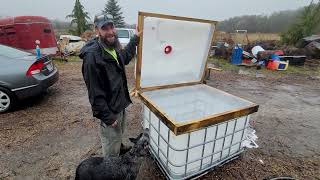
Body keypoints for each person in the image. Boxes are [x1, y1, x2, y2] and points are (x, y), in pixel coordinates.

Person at [79, 13, 142, 157]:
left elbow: (124, 57)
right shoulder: (92, 57)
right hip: (110, 111)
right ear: (97, 31)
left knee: (118, 134)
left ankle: (119, 148)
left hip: (119, 105)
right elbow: (94, 93)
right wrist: (108, 117)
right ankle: (111, 164)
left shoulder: (112, 47)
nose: (110, 31)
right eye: (104, 28)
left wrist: (135, 39)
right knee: (110, 142)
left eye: (111, 27)